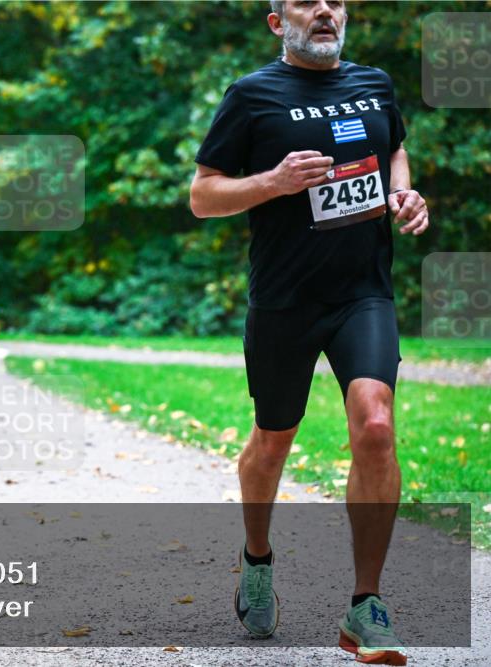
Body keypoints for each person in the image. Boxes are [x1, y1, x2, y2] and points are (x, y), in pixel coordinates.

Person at [190, 1, 428, 664]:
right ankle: (257, 558)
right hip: (284, 301)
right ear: (278, 22)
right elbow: (203, 195)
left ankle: (365, 605)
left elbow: (395, 149)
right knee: (272, 443)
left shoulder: (374, 83)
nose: (324, 9)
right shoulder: (251, 95)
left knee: (375, 424)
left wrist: (404, 193)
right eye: (305, 0)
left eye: (336, 0)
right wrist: (272, 182)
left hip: (362, 293)